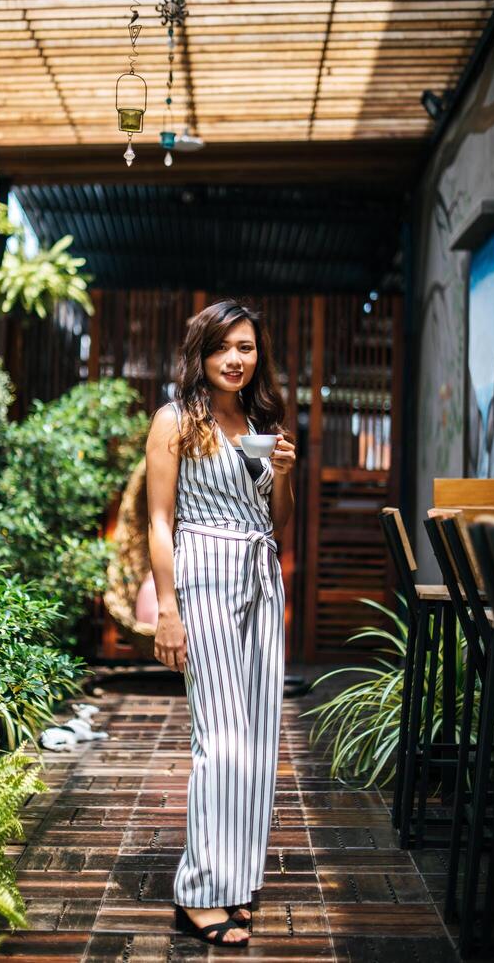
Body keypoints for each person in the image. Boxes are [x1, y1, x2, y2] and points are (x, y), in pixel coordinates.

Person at [145, 299, 296, 947]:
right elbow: (159, 522)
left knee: (258, 742)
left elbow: (277, 523)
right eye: (224, 347)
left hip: (260, 581)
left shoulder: (260, 422)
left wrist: (284, 476)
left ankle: (235, 883)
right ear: (200, 354)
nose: (237, 359)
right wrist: (168, 612)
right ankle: (199, 893)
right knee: (221, 740)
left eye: (248, 347)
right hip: (201, 575)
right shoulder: (175, 420)